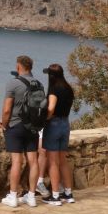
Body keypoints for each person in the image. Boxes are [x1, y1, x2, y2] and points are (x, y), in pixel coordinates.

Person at [0, 55, 41, 208]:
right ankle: (31, 196)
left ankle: (13, 196)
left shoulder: (13, 83)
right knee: (33, 161)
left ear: (18, 66)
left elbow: (6, 110)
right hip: (32, 127)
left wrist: (4, 125)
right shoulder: (38, 84)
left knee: (17, 160)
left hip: (16, 125)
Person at [41, 63, 76, 205]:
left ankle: (55, 196)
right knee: (63, 162)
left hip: (54, 125)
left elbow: (51, 108)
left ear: (51, 76)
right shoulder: (69, 89)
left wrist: (44, 119)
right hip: (65, 124)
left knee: (53, 162)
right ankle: (68, 193)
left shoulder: (54, 89)